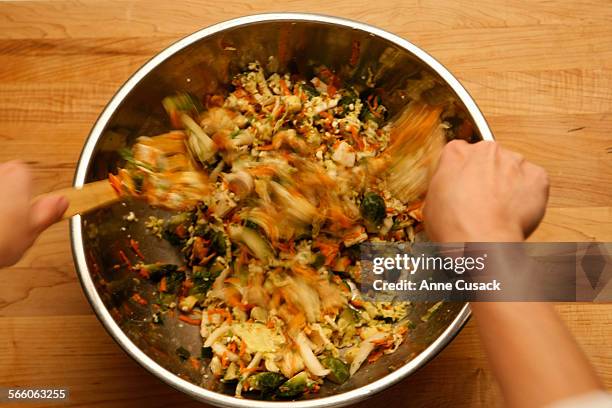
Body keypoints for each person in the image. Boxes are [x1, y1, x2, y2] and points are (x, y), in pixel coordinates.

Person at [0, 142, 609, 407]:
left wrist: (484, 235)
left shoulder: (383, 269)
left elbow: (590, 280)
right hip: (368, 277)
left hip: (375, 273)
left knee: (587, 271)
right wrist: (484, 231)